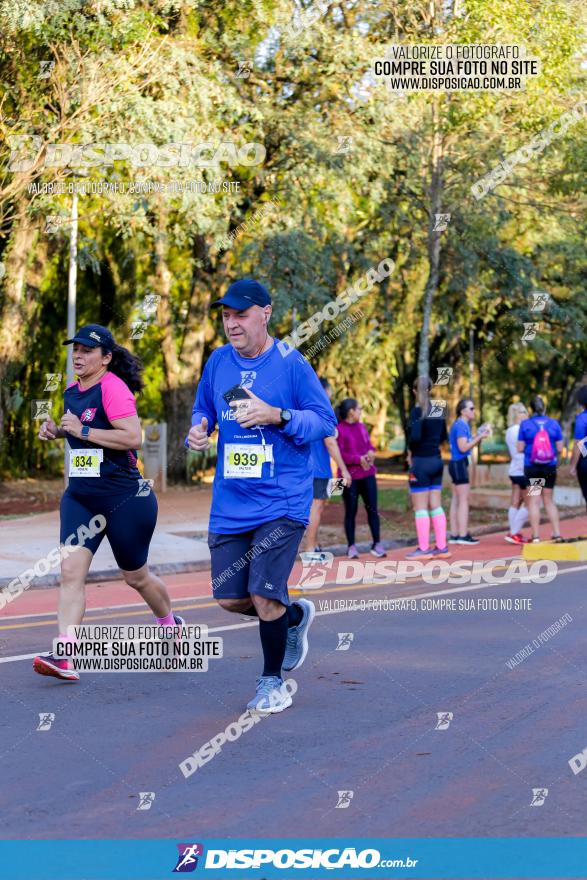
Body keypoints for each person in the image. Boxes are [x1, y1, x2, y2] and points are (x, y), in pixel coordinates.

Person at [186, 279, 337, 714]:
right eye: (226, 315)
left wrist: (278, 415)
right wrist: (198, 429)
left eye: (240, 314)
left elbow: (325, 422)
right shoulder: (217, 362)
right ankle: (292, 618)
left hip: (283, 500)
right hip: (231, 500)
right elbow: (204, 409)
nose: (231, 323)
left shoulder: (291, 364)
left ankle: (272, 683)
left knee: (265, 592)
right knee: (230, 597)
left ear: (265, 313)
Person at [34, 324, 183, 681]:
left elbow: (132, 436)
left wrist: (81, 430)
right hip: (81, 497)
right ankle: (66, 655)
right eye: (76, 350)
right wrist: (56, 429)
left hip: (124, 498)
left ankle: (170, 625)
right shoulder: (72, 391)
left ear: (106, 358)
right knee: (70, 573)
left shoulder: (113, 388)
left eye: (87, 350)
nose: (78, 356)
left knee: (136, 577)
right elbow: (78, 431)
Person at [301, 378, 351, 556]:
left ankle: (314, 545)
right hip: (318, 468)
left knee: (314, 507)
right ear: (324, 391)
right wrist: (344, 470)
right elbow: (330, 443)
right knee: (317, 507)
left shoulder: (304, 409)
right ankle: (309, 549)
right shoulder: (321, 411)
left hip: (306, 467)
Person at [405, 377, 450, 559]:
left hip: (421, 463)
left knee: (421, 508)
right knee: (436, 505)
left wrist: (410, 450)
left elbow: (415, 438)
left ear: (415, 392)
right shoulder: (439, 408)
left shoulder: (417, 412)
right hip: (436, 462)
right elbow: (443, 437)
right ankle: (442, 547)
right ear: (430, 390)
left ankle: (423, 549)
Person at [335, 398, 386, 559]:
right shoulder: (339, 429)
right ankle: (351, 546)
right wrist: (357, 459)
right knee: (351, 511)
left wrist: (371, 452)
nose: (360, 412)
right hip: (349, 477)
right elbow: (339, 454)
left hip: (368, 474)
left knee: (373, 509)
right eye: (359, 409)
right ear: (351, 411)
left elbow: (369, 446)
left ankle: (377, 543)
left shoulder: (362, 427)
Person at [517, 395, 563, 543]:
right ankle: (556, 533)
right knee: (549, 500)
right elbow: (561, 448)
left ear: (531, 409)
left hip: (533, 467)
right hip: (549, 467)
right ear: (544, 408)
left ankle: (536, 536)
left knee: (535, 500)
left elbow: (519, 448)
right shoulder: (554, 424)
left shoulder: (525, 425)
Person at [448, 398, 490, 545]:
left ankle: (454, 534)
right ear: (463, 411)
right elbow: (463, 447)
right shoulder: (460, 425)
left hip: (456, 464)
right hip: (458, 464)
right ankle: (462, 535)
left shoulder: (462, 424)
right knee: (463, 500)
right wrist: (480, 437)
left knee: (456, 499)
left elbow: (465, 443)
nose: (474, 411)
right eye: (471, 408)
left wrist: (479, 434)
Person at [504, 402, 530, 544]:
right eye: (523, 412)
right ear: (517, 415)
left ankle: (513, 532)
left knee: (515, 501)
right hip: (525, 469)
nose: (526, 414)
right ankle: (513, 532)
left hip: (515, 469)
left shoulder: (510, 430)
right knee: (531, 502)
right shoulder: (519, 430)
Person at [569, 385, 587, 511]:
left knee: (533, 499)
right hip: (544, 471)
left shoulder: (582, 418)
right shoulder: (551, 424)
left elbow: (578, 444)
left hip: (530, 468)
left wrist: (573, 466)